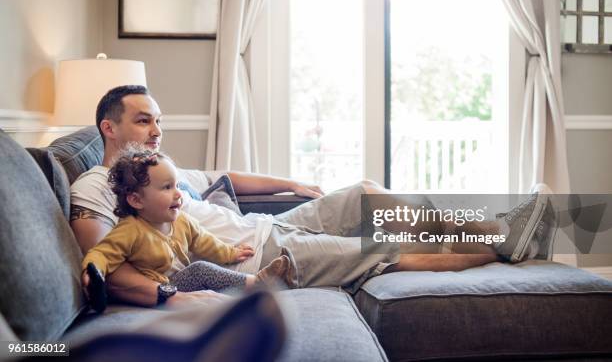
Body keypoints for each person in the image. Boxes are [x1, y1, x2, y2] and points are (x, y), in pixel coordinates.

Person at [70, 85, 554, 307]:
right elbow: (104, 262)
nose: (156, 130)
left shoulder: (162, 171)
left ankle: (496, 228)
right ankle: (507, 248)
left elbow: (228, 176)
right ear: (108, 127)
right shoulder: (95, 183)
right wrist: (170, 296)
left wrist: (289, 184)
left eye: (158, 119)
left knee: (363, 193)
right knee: (380, 249)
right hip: (256, 259)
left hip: (271, 228)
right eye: (143, 120)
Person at [81, 148, 295, 311]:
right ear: (136, 200)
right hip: (161, 290)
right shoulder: (130, 230)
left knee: (205, 269)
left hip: (181, 282)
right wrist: (94, 272)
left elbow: (204, 241)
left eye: (176, 186)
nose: (178, 194)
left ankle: (250, 294)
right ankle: (258, 283)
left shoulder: (181, 221)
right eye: (166, 187)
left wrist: (232, 252)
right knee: (200, 269)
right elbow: (102, 252)